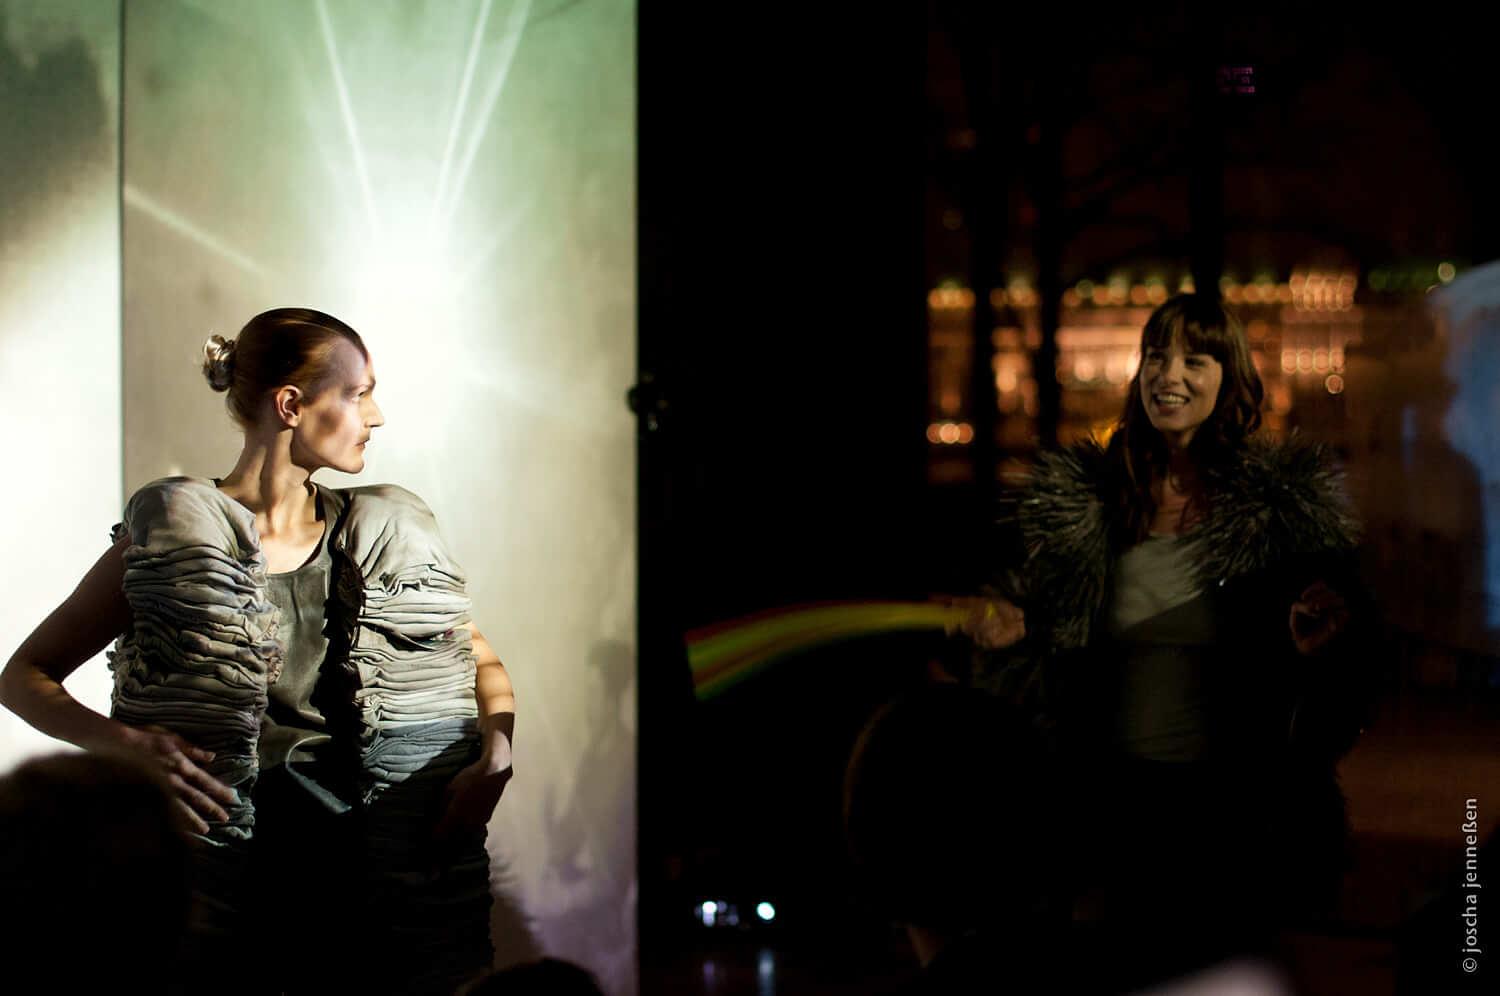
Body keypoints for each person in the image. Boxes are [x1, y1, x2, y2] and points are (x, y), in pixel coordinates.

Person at [0, 308, 516, 994]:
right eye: (358, 394)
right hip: (224, 883)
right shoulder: (174, 541)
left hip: (371, 882)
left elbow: (474, 655)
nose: (376, 416)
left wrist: (497, 751)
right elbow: (24, 675)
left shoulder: (382, 535)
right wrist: (124, 746)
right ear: (291, 405)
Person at [952, 293, 1378, 988]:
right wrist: (1014, 631)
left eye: (1194, 359)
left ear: (1230, 378)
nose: (1169, 374)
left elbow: (1344, 684)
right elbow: (1046, 646)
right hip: (1113, 816)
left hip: (1229, 823)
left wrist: (1314, 650)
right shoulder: (1091, 507)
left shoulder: (1279, 516)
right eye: (1156, 355)